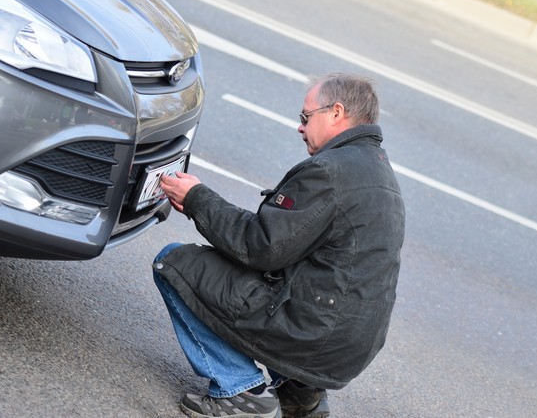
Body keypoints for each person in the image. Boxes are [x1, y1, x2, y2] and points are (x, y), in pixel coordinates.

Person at [152, 72, 406, 418]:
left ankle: (243, 392)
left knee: (175, 263)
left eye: (305, 117)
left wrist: (197, 199)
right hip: (352, 344)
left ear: (336, 113)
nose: (300, 127)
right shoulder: (379, 172)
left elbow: (260, 246)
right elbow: (288, 243)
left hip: (314, 333)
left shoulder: (330, 172)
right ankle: (300, 396)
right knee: (302, 284)